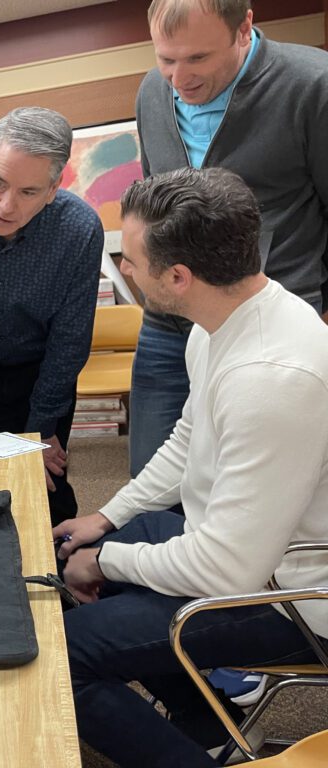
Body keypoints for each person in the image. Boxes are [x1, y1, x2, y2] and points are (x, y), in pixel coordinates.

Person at [54, 167, 328, 768]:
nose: (124, 268)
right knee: (112, 541)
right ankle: (210, 725)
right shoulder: (226, 317)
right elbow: (186, 441)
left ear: (177, 277)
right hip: (259, 556)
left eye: (131, 257)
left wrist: (102, 559)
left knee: (58, 657)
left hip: (296, 596)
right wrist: (107, 518)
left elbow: (227, 569)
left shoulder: (269, 379)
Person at [129, 0, 328, 478]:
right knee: (155, 477)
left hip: (272, 326)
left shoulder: (312, 85)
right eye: (165, 59)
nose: (179, 79)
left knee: (263, 484)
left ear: (244, 29)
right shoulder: (152, 93)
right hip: (170, 325)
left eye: (198, 59)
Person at [0, 107, 103, 526]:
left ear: (52, 189)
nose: (6, 205)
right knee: (1, 468)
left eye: (29, 192)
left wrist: (42, 427)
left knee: (47, 473)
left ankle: (59, 566)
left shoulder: (78, 228)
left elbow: (70, 339)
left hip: (44, 367)